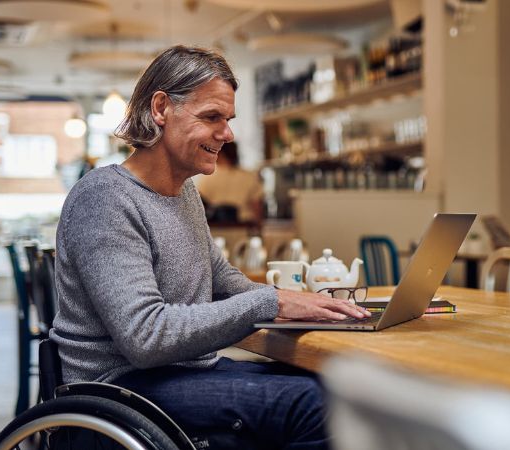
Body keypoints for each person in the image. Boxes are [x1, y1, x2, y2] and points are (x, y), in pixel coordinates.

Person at [49, 45, 369, 449]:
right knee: (320, 406)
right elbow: (146, 337)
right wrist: (270, 303)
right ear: (161, 108)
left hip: (184, 376)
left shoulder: (184, 194)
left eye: (228, 119)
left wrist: (301, 302)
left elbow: (222, 280)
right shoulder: (105, 198)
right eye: (212, 117)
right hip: (120, 395)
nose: (228, 134)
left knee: (343, 388)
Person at [194, 141, 264, 224]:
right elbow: (257, 207)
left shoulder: (206, 178)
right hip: (244, 227)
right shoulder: (249, 177)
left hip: (216, 228)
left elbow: (199, 207)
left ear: (219, 153)